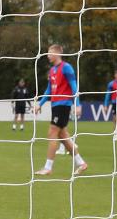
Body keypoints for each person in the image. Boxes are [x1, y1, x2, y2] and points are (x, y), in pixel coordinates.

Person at [34, 46, 86, 176]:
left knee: (52, 132)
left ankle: (48, 167)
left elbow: (74, 86)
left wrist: (77, 104)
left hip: (64, 105)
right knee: (63, 136)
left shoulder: (66, 67)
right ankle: (81, 163)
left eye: (50, 53)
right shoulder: (52, 70)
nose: (48, 55)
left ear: (58, 53)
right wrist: (40, 104)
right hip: (56, 105)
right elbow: (49, 90)